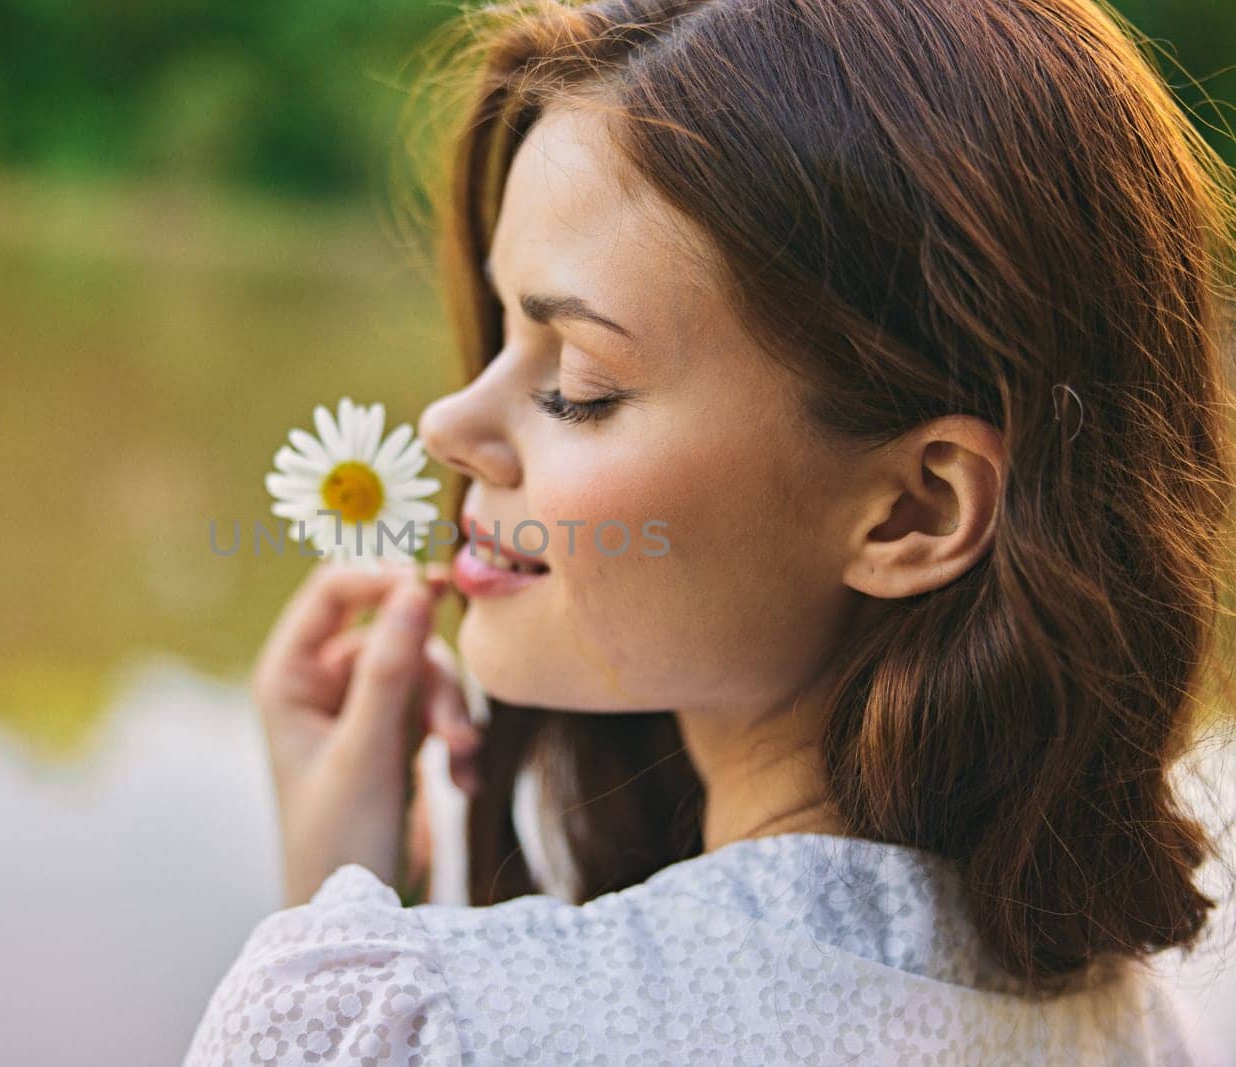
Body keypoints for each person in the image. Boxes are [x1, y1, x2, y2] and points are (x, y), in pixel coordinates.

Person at [186, 0, 1236, 1061]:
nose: (447, 424)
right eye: (504, 329)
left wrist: (333, 946)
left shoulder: (416, 1021)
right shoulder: (1144, 1027)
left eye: (579, 386)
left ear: (916, 509)